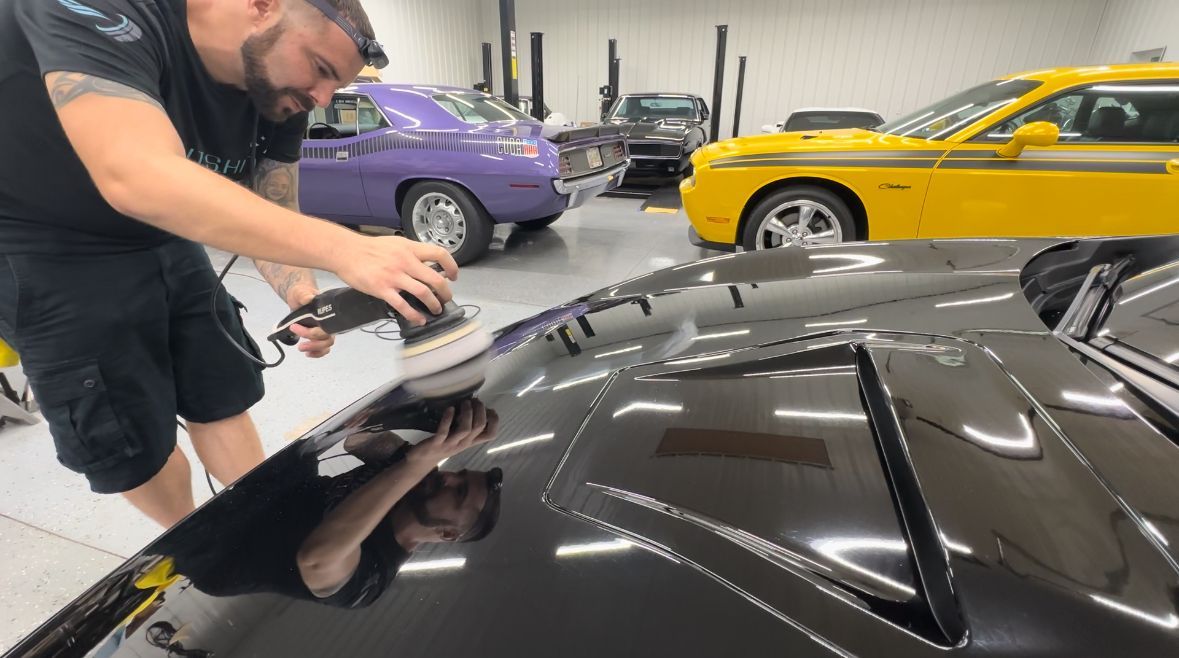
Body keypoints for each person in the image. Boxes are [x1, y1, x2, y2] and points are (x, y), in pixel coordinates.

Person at [0, 0, 459, 528]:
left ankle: (266, 527)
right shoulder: (104, 11)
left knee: (220, 389)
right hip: (46, 247)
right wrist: (349, 249)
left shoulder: (281, 90)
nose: (321, 98)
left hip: (165, 233)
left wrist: (303, 295)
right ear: (261, 6)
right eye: (321, 69)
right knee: (133, 438)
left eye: (335, 85)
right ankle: (194, 545)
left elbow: (272, 201)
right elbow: (135, 175)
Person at [158, 399, 502, 609]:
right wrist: (446, 415)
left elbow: (318, 558)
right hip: (279, 490)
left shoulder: (372, 579)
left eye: (458, 493)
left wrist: (413, 467)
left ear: (446, 533)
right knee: (221, 412)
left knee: (155, 461)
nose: (448, 478)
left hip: (229, 551)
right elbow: (361, 436)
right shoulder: (415, 476)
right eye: (459, 474)